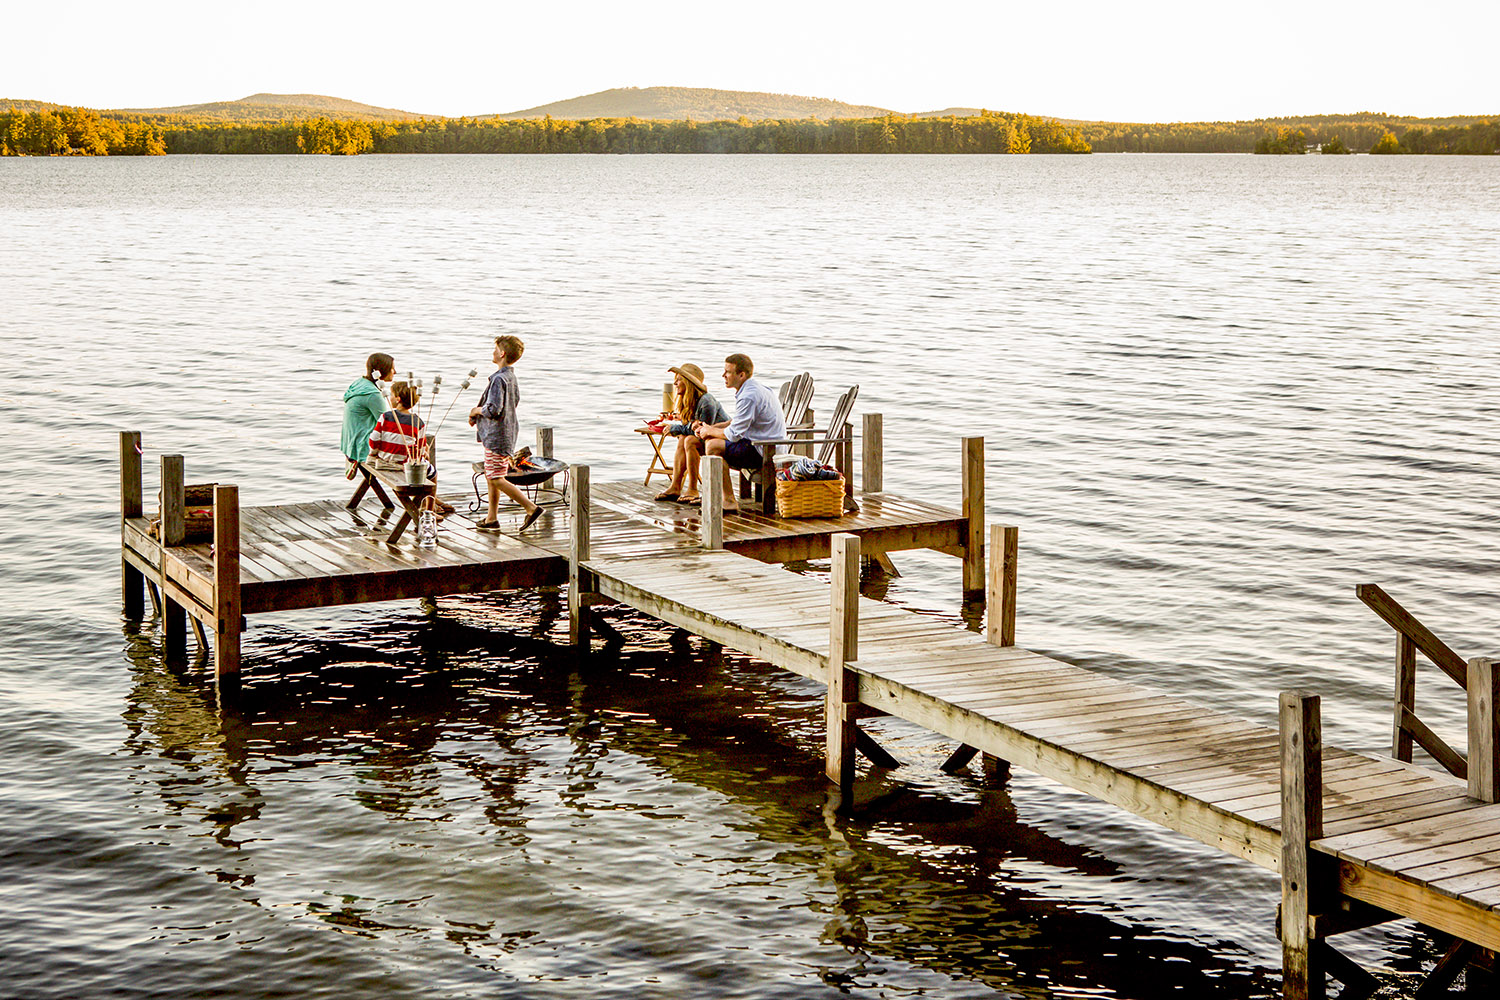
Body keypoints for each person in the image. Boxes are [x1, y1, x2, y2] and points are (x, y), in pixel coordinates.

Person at [692, 353, 785, 513]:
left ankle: (728, 501)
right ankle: (717, 495)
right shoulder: (753, 388)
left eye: (727, 372)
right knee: (706, 440)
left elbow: (733, 434)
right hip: (760, 444)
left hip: (765, 451)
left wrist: (709, 431)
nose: (723, 375)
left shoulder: (749, 396)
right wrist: (712, 427)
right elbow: (736, 422)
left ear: (741, 375)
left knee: (713, 446)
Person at [469, 334, 543, 532]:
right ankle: (491, 518)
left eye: (495, 349)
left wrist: (476, 411)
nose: (492, 352)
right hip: (507, 432)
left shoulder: (499, 379)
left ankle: (531, 508)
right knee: (492, 474)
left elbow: (493, 409)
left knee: (495, 477)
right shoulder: (510, 377)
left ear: (502, 353)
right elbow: (514, 402)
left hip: (496, 436)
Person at [655, 363, 728, 504]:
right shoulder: (690, 401)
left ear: (689, 383)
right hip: (708, 439)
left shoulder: (707, 402)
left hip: (721, 440)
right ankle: (675, 486)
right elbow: (689, 426)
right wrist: (679, 426)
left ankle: (693, 489)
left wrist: (674, 428)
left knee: (689, 440)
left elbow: (701, 431)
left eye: (679, 379)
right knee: (683, 438)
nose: (675, 383)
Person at [341, 352, 394, 478]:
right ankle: (422, 495)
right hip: (362, 448)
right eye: (392, 368)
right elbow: (387, 425)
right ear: (383, 370)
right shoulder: (373, 394)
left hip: (349, 443)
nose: (395, 372)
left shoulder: (359, 383)